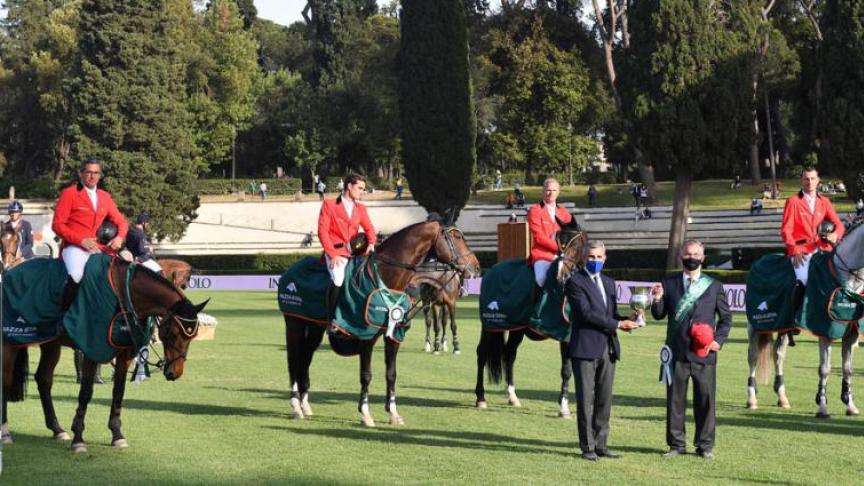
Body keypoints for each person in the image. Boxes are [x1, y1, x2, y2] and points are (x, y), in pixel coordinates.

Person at [651, 240, 732, 460]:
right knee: (675, 401)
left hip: (704, 354)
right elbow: (658, 315)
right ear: (681, 256)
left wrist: (718, 341)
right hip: (676, 353)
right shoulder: (668, 284)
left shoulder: (714, 286)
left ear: (703, 257)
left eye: (696, 254)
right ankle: (676, 444)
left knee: (705, 401)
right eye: (688, 253)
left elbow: (725, 319)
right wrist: (656, 299)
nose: (692, 257)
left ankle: (704, 445)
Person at [565, 240, 640, 461]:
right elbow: (586, 314)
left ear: (605, 258)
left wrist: (628, 319)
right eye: (591, 257)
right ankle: (587, 446)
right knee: (586, 400)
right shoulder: (574, 282)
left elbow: (611, 314)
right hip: (585, 348)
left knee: (604, 400)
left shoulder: (609, 282)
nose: (595, 261)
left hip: (608, 348)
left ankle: (601, 445)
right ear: (583, 258)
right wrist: (618, 324)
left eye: (599, 257)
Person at [52, 158, 128, 309]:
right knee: (77, 276)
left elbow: (122, 222)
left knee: (119, 277)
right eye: (89, 172)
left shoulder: (105, 196)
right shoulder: (69, 193)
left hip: (99, 248)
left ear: (100, 175)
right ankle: (64, 317)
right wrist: (81, 241)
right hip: (75, 248)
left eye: (96, 173)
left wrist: (119, 238)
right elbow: (57, 225)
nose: (92, 176)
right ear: (81, 174)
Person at [317, 173, 377, 321]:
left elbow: (369, 228)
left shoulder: (361, 208)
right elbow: (322, 231)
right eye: (360, 188)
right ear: (349, 186)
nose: (362, 191)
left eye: (363, 188)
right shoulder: (329, 204)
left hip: (355, 253)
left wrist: (371, 243)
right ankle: (330, 318)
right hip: (335, 252)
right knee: (338, 278)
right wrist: (332, 254)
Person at [780, 166, 844, 287]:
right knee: (803, 279)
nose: (810, 182)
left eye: (812, 179)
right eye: (806, 179)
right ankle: (798, 306)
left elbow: (839, 225)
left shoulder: (824, 201)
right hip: (802, 252)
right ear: (801, 180)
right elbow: (786, 230)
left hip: (824, 250)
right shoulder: (793, 201)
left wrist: (835, 235)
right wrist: (794, 249)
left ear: (818, 180)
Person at [527, 178, 573, 289]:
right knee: (541, 278)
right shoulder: (535, 210)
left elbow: (571, 234)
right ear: (543, 191)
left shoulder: (565, 212)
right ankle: (538, 305)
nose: (550, 193)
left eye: (553, 190)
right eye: (548, 190)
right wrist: (558, 248)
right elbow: (538, 237)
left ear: (558, 192)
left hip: (563, 256)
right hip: (542, 256)